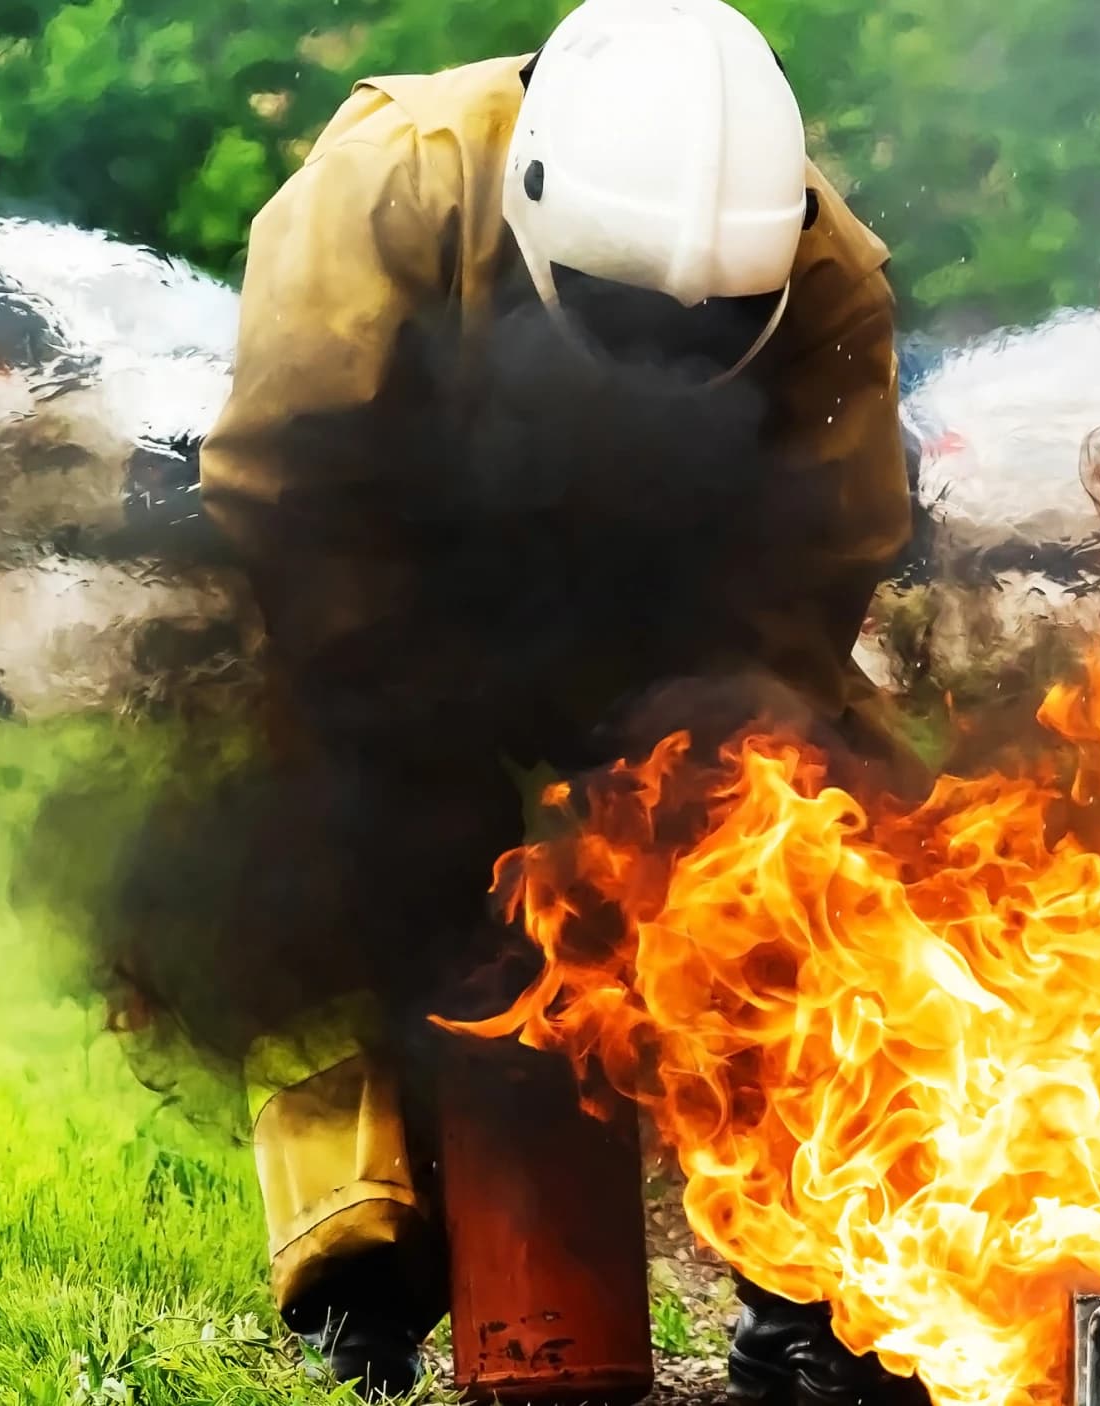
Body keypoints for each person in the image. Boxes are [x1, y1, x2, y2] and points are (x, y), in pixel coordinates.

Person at [198, 0, 922, 1396]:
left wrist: (687, 768)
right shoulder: (390, 184)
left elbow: (817, 572)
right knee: (334, 823)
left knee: (808, 815)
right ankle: (371, 1249)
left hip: (671, 601)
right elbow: (287, 493)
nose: (663, 343)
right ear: (534, 215)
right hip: (401, 586)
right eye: (631, 311)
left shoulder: (827, 272)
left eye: (703, 323)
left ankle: (824, 1274)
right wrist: (424, 725)